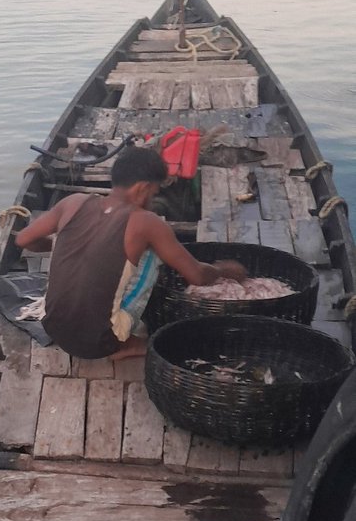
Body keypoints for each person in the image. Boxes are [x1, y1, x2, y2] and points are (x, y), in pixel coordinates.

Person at [15, 146, 247, 360]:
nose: (152, 200)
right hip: (99, 344)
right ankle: (126, 343)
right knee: (153, 254)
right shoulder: (146, 223)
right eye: (153, 193)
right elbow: (196, 275)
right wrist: (223, 270)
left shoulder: (74, 201)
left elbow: (24, 239)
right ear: (142, 188)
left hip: (53, 327)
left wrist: (64, 245)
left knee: (131, 253)